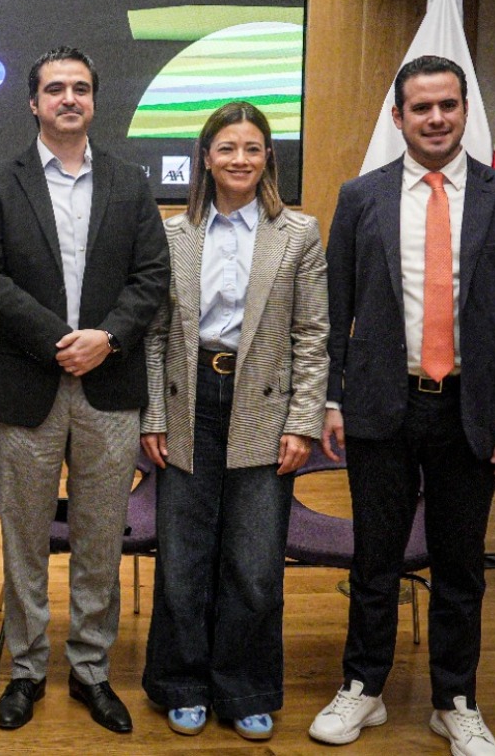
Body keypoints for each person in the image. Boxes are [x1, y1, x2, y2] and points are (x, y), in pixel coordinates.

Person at [308, 55, 495, 756]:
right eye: (421, 108)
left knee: (460, 565)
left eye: (447, 105)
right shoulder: (361, 197)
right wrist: (330, 398)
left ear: (464, 110)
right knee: (374, 560)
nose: (436, 118)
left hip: (473, 413)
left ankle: (455, 701)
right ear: (398, 117)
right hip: (381, 408)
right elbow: (334, 311)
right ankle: (363, 689)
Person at [0, 46, 169, 734]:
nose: (69, 98)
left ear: (94, 101)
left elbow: (151, 277)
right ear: (33, 103)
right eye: (55, 89)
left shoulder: (130, 182)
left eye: (80, 88)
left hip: (110, 383)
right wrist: (61, 338)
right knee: (23, 536)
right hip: (28, 382)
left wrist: (106, 338)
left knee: (99, 535)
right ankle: (25, 669)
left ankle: (90, 668)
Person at [138, 101, 328, 742]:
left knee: (254, 560)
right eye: (227, 148)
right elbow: (154, 335)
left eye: (251, 148)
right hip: (189, 398)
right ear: (206, 158)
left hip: (262, 407)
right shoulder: (173, 234)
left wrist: (302, 422)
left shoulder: (298, 233)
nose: (239, 159)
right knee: (183, 555)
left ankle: (245, 690)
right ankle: (182, 685)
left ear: (268, 157)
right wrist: (154, 415)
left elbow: (312, 336)